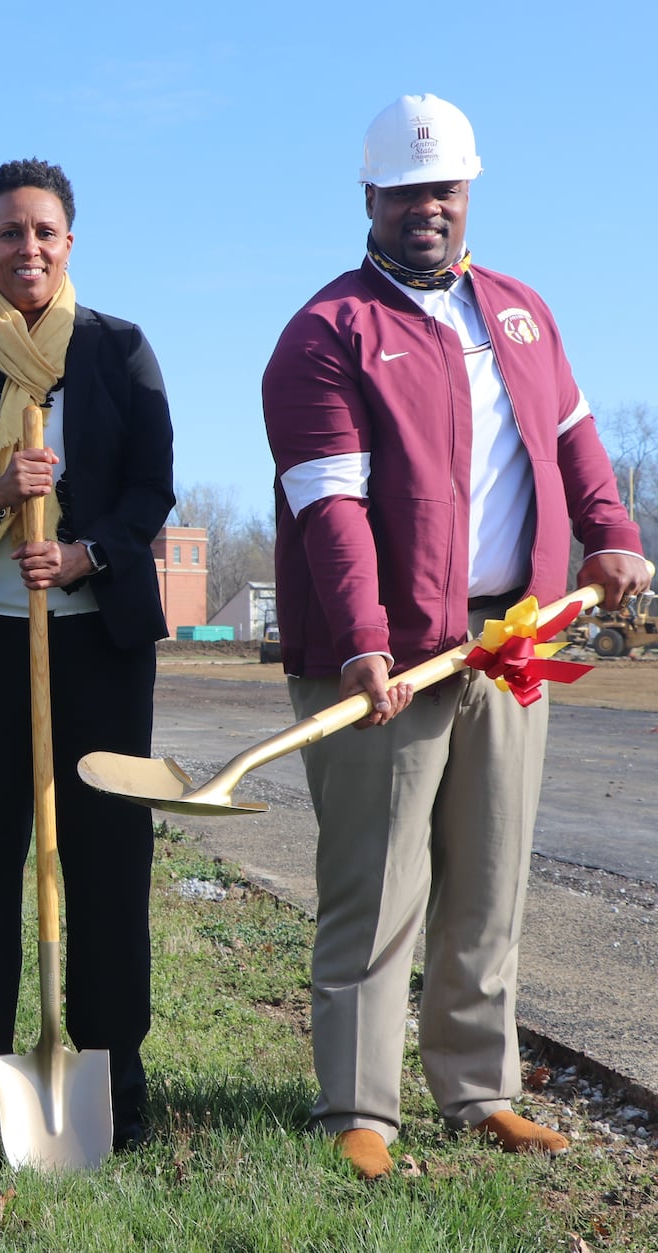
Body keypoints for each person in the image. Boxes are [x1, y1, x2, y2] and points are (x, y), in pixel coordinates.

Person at [263, 93, 649, 1181]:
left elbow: (571, 435)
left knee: (488, 883)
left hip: (511, 641)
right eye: (404, 190)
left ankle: (480, 1088)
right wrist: (361, 639)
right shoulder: (327, 331)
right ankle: (359, 1105)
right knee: (378, 886)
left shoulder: (519, 310)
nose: (426, 207)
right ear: (369, 197)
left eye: (444, 188)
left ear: (467, 191)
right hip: (386, 656)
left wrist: (610, 532)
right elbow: (328, 504)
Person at [0, 158, 175, 1149]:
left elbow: (152, 489)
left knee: (106, 854)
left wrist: (88, 550)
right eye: (10, 232)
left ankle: (109, 1081)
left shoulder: (118, 349)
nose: (28, 249)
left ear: (69, 241)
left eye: (45, 232)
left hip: (96, 639)